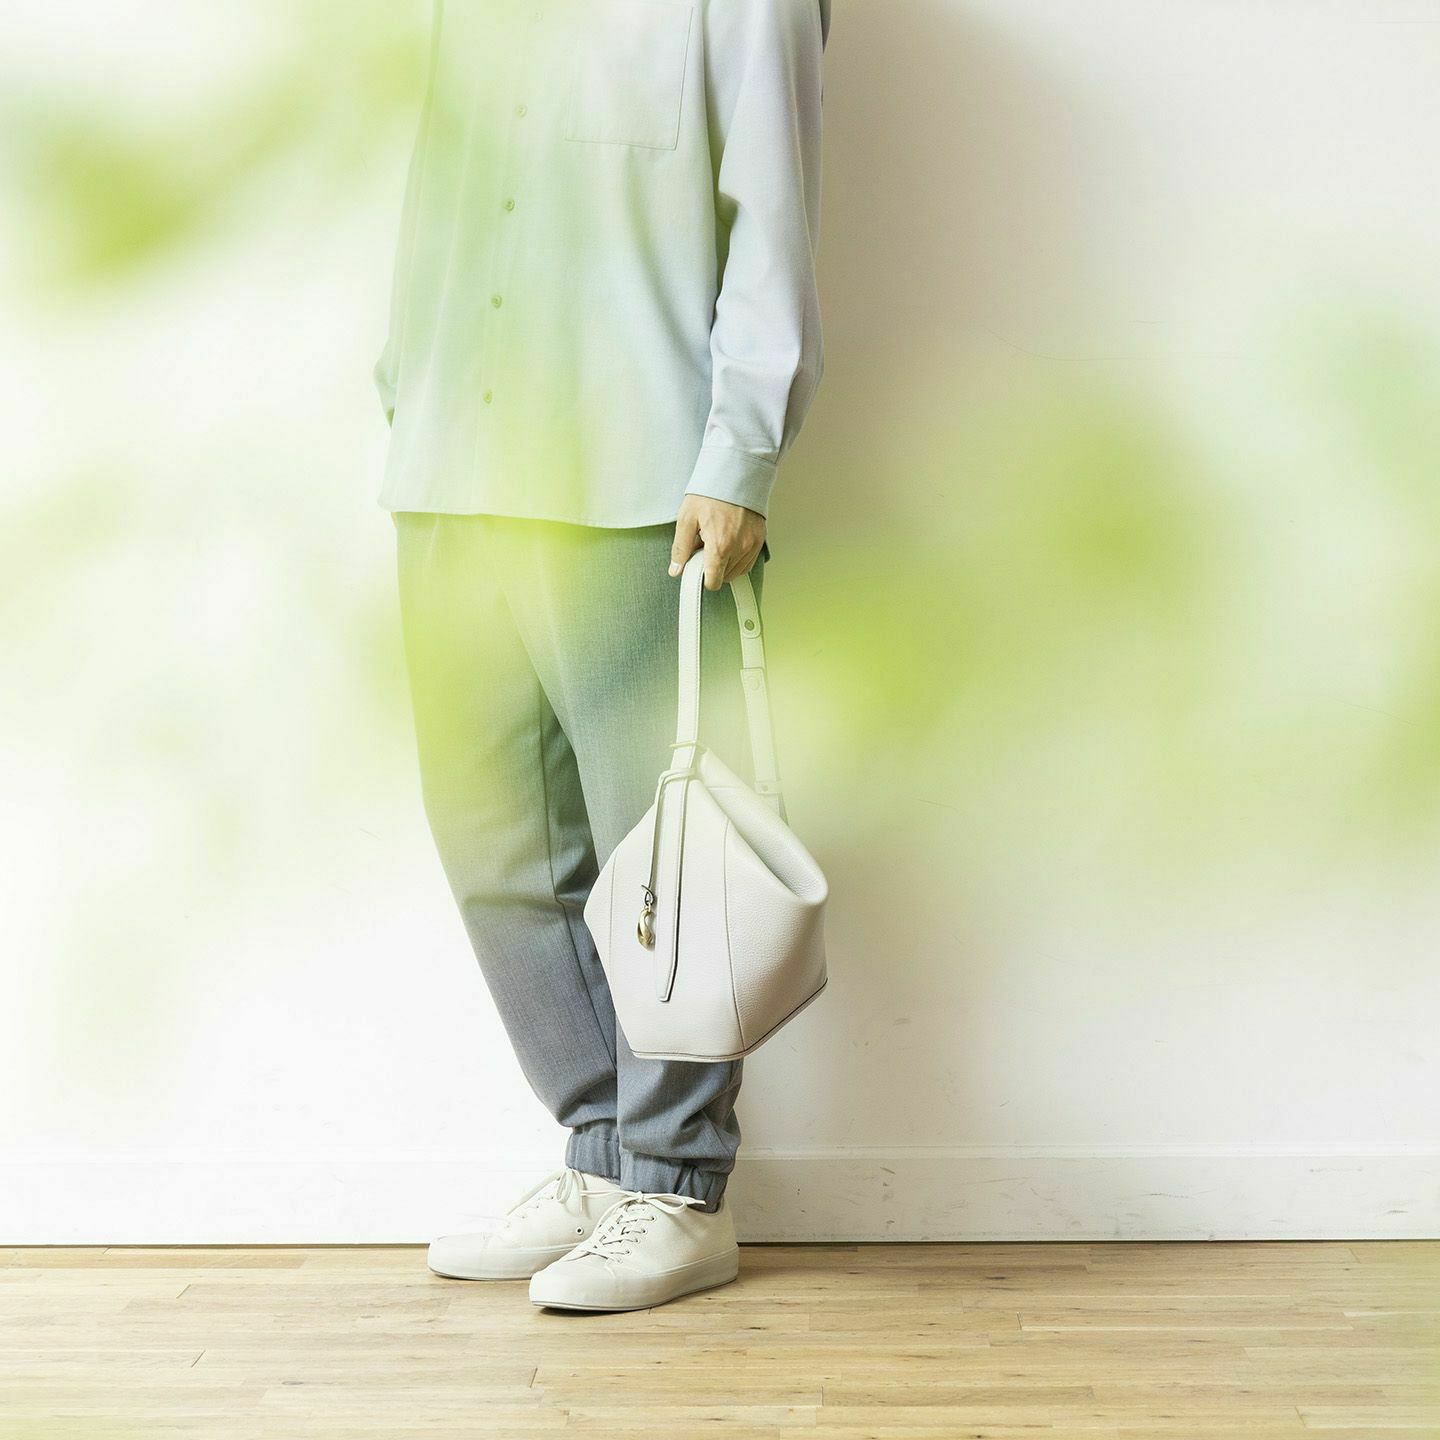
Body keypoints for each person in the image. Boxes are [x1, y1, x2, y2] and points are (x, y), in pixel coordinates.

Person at [374, 0, 831, 1312]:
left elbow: (776, 220)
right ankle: (600, 1151)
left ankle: (679, 1185)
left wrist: (739, 457)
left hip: (637, 483)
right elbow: (436, 190)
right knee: (492, 840)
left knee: (666, 858)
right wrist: (404, 394)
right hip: (452, 470)